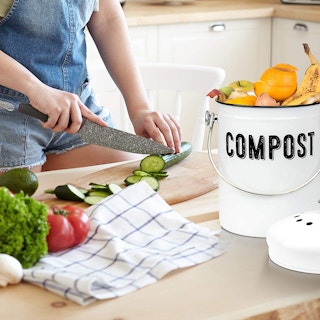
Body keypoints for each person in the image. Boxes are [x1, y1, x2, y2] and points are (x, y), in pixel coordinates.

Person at [0, 0, 181, 173]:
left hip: (78, 112)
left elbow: (107, 18)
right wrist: (37, 91)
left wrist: (139, 108)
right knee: (26, 202)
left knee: (132, 188)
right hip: (7, 115)